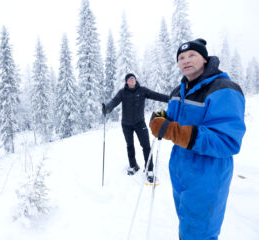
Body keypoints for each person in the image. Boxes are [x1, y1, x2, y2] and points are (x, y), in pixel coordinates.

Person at [149, 38, 246, 239]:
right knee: (187, 228)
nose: (186, 60)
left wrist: (172, 131)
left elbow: (226, 140)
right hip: (180, 172)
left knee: (200, 234)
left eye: (192, 55)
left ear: (204, 58)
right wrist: (162, 119)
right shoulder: (178, 91)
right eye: (181, 57)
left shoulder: (224, 89)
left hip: (207, 175)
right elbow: (174, 121)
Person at [102, 73, 169, 182]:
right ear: (126, 82)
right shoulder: (122, 92)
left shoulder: (142, 90)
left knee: (146, 146)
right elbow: (114, 101)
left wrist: (169, 98)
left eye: (133, 78)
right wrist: (107, 109)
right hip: (126, 124)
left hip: (139, 123)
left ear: (135, 80)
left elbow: (155, 95)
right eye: (130, 79)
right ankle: (133, 166)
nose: (132, 80)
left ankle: (149, 169)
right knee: (130, 145)